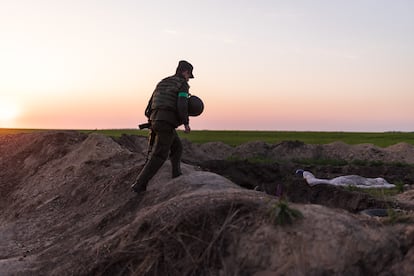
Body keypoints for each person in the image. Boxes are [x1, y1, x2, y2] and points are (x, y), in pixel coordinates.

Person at [131, 60, 194, 194]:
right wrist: (186, 122)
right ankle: (139, 184)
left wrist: (152, 119)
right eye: (189, 75)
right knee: (160, 155)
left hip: (155, 119)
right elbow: (182, 104)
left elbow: (149, 105)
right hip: (166, 122)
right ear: (185, 72)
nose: (189, 78)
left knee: (177, 147)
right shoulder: (182, 84)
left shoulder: (163, 82)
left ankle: (176, 174)